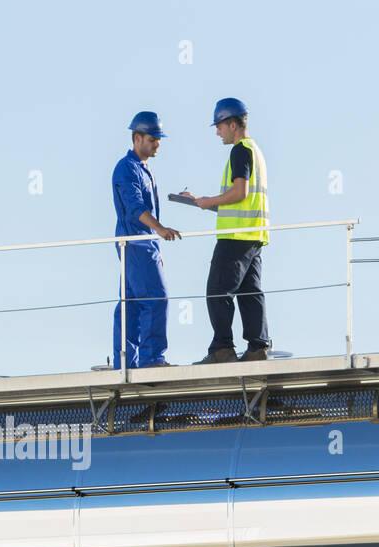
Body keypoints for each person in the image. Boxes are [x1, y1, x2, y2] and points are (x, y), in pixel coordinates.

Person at [183, 98, 271, 364]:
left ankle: (222, 348)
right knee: (250, 293)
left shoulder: (240, 150)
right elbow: (241, 200)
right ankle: (258, 348)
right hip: (253, 236)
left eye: (219, 126)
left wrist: (210, 200)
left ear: (233, 124)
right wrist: (203, 202)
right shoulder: (255, 151)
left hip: (235, 237)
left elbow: (239, 192)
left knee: (217, 292)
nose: (217, 131)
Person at [110, 111, 181, 369]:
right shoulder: (127, 168)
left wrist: (155, 243)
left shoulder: (141, 168)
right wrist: (159, 230)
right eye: (153, 138)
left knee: (130, 304)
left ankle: (125, 362)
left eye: (158, 139)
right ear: (137, 137)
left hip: (141, 244)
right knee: (156, 298)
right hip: (136, 243)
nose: (157, 143)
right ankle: (152, 359)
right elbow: (135, 208)